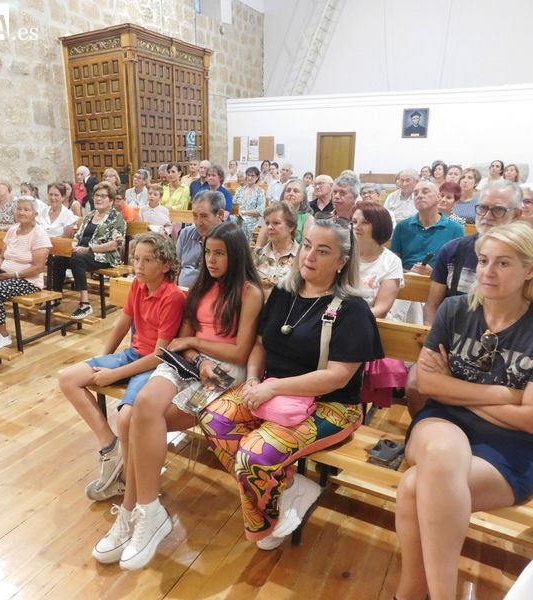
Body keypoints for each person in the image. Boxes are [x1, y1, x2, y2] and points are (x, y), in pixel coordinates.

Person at [395, 222, 533, 600]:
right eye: (484, 261)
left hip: (512, 447)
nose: (487, 272)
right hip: (441, 423)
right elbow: (426, 385)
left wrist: (458, 390)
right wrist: (504, 394)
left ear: (530, 269)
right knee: (441, 453)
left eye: (503, 263)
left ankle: (409, 593)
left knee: (414, 486)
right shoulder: (456, 310)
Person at [199, 216, 383, 550]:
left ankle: (266, 519)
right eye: (307, 245)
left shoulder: (353, 310)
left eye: (323, 251)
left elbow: (337, 377)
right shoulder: (284, 293)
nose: (309, 256)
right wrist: (254, 379)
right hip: (272, 390)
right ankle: (289, 488)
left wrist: (273, 388)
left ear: (341, 262)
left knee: (252, 456)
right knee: (214, 418)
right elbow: (259, 344)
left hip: (332, 405)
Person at [93, 223, 263, 569]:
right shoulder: (200, 286)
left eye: (219, 253)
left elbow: (240, 350)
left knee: (140, 423)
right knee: (140, 409)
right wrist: (195, 354)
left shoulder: (249, 293)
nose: (211, 260)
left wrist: (196, 345)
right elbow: (180, 341)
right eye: (207, 252)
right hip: (189, 362)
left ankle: (134, 510)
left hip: (223, 372)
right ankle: (142, 511)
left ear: (236, 255)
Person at [58, 232, 185, 504]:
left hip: (152, 365)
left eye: (147, 260)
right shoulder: (138, 285)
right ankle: (109, 445)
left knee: (127, 417)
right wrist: (102, 359)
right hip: (131, 355)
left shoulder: (172, 297)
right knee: (69, 379)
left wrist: (114, 375)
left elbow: (160, 355)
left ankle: (129, 481)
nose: (139, 266)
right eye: (136, 259)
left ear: (165, 265)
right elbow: (123, 323)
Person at [424, 180, 523, 325]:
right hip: (453, 338)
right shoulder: (452, 250)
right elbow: (432, 306)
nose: (487, 216)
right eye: (482, 208)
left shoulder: (524, 257)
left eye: (498, 210)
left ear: (516, 215)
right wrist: (433, 341)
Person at [0, 197, 51, 350]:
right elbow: (2, 256)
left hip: (28, 281)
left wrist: (12, 275)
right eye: (19, 209)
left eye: (26, 209)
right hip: (5, 276)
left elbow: (38, 268)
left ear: (35, 213)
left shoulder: (39, 234)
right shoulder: (13, 229)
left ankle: (3, 335)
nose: (21, 212)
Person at [51, 182, 126, 319]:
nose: (98, 199)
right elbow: (78, 235)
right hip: (83, 251)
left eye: (103, 196)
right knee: (59, 258)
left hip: (105, 255)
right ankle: (55, 297)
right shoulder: (91, 215)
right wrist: (73, 246)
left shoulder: (117, 218)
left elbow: (114, 244)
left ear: (111, 200)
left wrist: (88, 249)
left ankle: (85, 304)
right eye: (96, 195)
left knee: (77, 259)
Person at [391, 181, 465, 274]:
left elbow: (458, 267)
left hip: (438, 284)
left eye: (425, 192)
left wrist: (434, 274)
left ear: (438, 197)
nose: (419, 196)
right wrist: (409, 273)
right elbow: (393, 263)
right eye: (416, 193)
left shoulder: (455, 229)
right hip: (406, 281)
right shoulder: (402, 226)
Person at [353, 202, 403, 319]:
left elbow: (382, 308)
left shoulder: (391, 261)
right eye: (354, 222)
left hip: (369, 320)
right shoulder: (342, 253)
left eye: (365, 222)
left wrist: (353, 319)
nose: (356, 226)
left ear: (379, 226)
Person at [175, 190, 225, 288]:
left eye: (204, 216)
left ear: (220, 214)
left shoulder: (229, 240)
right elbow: (175, 267)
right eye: (195, 215)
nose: (198, 222)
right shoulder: (186, 233)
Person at [254, 201, 300, 289]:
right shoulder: (257, 254)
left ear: (291, 226)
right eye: (267, 223)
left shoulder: (301, 256)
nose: (269, 227)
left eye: (276, 223)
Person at [234, 166, 266, 242]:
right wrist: (238, 212)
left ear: (257, 177)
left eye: (252, 176)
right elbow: (234, 205)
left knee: (244, 223)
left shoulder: (260, 192)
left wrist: (244, 212)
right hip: (238, 215)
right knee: (230, 221)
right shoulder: (239, 190)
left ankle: (244, 247)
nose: (250, 178)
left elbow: (260, 211)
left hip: (251, 218)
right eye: (248, 175)